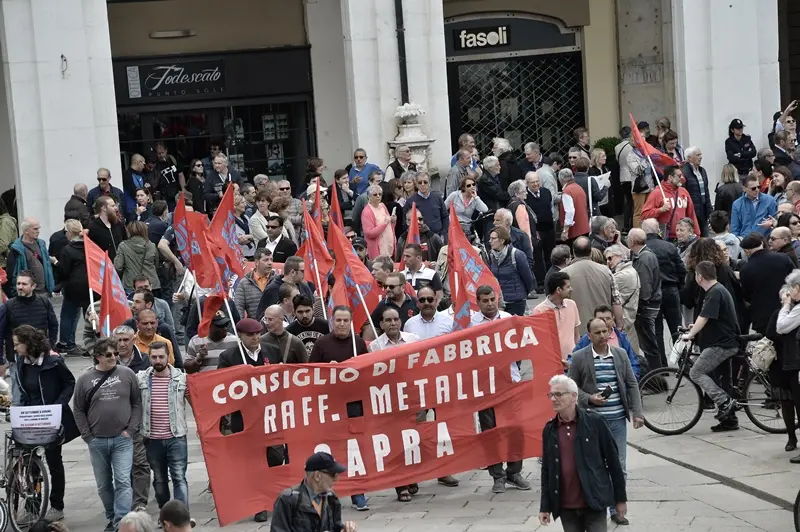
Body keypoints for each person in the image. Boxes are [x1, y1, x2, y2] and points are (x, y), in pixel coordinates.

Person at [569, 317, 642, 524]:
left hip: (617, 419)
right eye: (598, 332)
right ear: (589, 335)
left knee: (619, 465)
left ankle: (616, 508)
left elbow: (631, 383)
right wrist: (589, 398)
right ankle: (596, 505)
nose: (602, 336)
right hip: (592, 422)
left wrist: (637, 413)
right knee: (595, 464)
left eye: (605, 331)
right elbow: (572, 388)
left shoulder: (619, 355)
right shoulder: (579, 357)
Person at [539, 374, 627, 531]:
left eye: (558, 394)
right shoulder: (549, 430)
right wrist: (545, 506)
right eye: (551, 395)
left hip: (594, 502)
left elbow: (614, 463)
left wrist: (620, 499)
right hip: (566, 506)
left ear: (574, 396)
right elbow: (547, 470)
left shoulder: (595, 422)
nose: (553, 399)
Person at [73, 338, 142, 532]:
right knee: (104, 485)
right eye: (109, 354)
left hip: (123, 439)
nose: (114, 357)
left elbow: (137, 403)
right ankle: (112, 518)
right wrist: (87, 436)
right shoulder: (85, 379)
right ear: (98, 357)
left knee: (122, 481)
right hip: (97, 440)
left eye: (116, 354)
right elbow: (78, 409)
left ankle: (121, 523)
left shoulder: (127, 374)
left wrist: (131, 429)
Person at [12, 325, 77, 523]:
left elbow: (69, 383)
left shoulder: (54, 361)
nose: (15, 348)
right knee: (30, 465)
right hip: (30, 418)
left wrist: (58, 406)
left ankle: (57, 506)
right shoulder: (22, 362)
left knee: (54, 462)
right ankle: (32, 507)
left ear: (28, 343)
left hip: (51, 418)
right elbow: (23, 390)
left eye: (17, 344)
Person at [469, 285, 530, 493]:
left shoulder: (508, 320)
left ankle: (515, 472)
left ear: (498, 298)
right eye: (484, 300)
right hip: (485, 386)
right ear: (478, 302)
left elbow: (522, 346)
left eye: (492, 299)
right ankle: (498, 476)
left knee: (516, 428)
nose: (489, 303)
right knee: (490, 432)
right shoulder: (469, 324)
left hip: (510, 382)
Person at [308, 307, 370, 510]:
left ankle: (357, 493)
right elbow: (310, 375)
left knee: (355, 451)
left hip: (353, 406)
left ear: (352, 322)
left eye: (345, 320)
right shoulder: (322, 344)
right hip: (329, 406)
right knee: (329, 451)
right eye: (338, 320)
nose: (342, 324)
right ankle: (326, 493)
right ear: (332, 322)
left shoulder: (358, 342)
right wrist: (328, 372)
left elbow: (368, 372)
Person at [137, 342, 193, 523]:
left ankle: (182, 519)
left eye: (161, 356)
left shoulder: (181, 378)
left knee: (179, 477)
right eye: (154, 357)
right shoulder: (142, 379)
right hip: (152, 438)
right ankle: (165, 515)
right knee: (160, 482)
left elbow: (196, 401)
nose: (158, 360)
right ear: (149, 357)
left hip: (176, 436)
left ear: (168, 356)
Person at [682, 261, 742, 427]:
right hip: (724, 340)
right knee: (724, 381)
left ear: (700, 277)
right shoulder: (718, 290)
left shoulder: (714, 292)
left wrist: (691, 334)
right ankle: (729, 420)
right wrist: (696, 328)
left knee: (696, 372)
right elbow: (712, 318)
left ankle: (724, 401)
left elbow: (705, 316)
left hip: (721, 344)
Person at [0, 270, 59, 395]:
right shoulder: (8, 306)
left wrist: (50, 346)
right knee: (19, 395)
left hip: (42, 356)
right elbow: (0, 335)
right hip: (17, 358)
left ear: (33, 286)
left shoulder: (44, 302)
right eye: (18, 283)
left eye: (24, 284)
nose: (20, 287)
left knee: (44, 391)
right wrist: (1, 362)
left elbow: (53, 325)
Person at [270, 452, 357, 532]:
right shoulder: (288, 499)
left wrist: (345, 530)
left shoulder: (331, 497)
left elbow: (336, 527)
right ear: (317, 476)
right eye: (333, 475)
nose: (336, 479)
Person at [740, 232, 795, 335]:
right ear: (762, 243)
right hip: (787, 309)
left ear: (746, 251)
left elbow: (747, 296)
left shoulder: (745, 269)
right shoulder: (783, 258)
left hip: (763, 317)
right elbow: (795, 279)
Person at [562, 237, 623, 329]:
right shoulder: (606, 271)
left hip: (576, 329)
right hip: (603, 328)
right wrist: (619, 324)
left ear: (573, 252)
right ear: (591, 251)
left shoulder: (563, 274)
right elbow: (616, 301)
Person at [770, 275, 800, 458]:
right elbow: (771, 331)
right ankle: (791, 437)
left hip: (795, 362)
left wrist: (786, 306)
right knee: (787, 402)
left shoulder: (793, 310)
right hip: (782, 361)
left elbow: (781, 328)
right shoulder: (782, 311)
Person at [627, 228, 662, 372]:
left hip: (647, 307)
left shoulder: (643, 258)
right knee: (649, 342)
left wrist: (640, 305)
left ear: (633, 241)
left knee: (648, 344)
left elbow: (645, 285)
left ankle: (655, 377)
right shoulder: (646, 254)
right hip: (652, 303)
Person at [573, 305, 641, 379]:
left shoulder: (621, 338)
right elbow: (574, 357)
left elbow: (633, 362)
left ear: (613, 318)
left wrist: (630, 381)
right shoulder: (587, 338)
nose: (605, 322)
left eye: (608, 319)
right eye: (601, 319)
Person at [55, 219, 90, 356]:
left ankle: (66, 343)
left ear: (69, 233)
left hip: (72, 286)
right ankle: (90, 344)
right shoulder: (88, 246)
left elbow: (64, 270)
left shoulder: (68, 249)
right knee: (88, 315)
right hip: (88, 286)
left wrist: (56, 263)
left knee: (68, 315)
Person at [640, 165, 700, 240]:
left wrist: (697, 235)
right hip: (665, 237)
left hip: (683, 237)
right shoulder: (657, 193)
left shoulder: (683, 192)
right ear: (670, 178)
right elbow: (644, 215)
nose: (682, 178)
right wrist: (660, 210)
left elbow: (691, 214)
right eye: (679, 176)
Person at [532, 272, 580, 363]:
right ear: (558, 290)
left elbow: (576, 334)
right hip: (552, 362)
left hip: (573, 360)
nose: (571, 289)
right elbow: (538, 342)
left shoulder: (572, 304)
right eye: (568, 287)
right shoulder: (539, 311)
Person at [487, 226, 534, 316]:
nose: (490, 241)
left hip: (516, 302)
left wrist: (521, 294)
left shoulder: (517, 255)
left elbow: (528, 279)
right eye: (490, 238)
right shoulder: (491, 255)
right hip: (499, 302)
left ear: (502, 240)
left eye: (493, 238)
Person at [6, 217, 56, 297]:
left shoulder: (41, 245)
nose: (38, 231)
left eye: (38, 229)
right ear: (26, 230)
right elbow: (12, 274)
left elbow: (48, 267)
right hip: (28, 295)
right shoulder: (16, 250)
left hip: (45, 292)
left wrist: (51, 285)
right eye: (35, 229)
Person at [603, 244, 640, 351]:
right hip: (628, 318)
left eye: (610, 258)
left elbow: (606, 289)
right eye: (606, 259)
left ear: (620, 256)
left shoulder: (622, 275)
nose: (608, 262)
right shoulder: (630, 271)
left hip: (623, 319)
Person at [525, 172, 556, 292]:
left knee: (550, 253)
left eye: (537, 181)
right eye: (532, 182)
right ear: (527, 183)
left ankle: (552, 278)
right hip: (536, 230)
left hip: (549, 227)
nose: (536, 184)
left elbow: (550, 207)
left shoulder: (546, 192)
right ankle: (541, 282)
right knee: (538, 256)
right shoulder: (526, 196)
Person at [115, 221, 160, 294]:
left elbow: (118, 266)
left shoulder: (123, 246)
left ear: (129, 231)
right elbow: (156, 264)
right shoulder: (152, 245)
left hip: (131, 284)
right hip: (151, 284)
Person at [403, 171, 447, 238]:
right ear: (416, 184)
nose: (422, 184)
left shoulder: (437, 197)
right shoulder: (410, 202)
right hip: (421, 238)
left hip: (439, 236)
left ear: (429, 183)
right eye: (420, 182)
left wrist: (444, 233)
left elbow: (445, 216)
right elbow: (405, 222)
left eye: (425, 182)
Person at [234, 248, 274, 319]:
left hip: (275, 327)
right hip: (254, 327)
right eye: (266, 260)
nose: (270, 263)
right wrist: (240, 327)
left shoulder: (277, 281)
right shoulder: (244, 283)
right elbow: (238, 308)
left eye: (271, 259)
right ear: (256, 262)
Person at [87, 196, 128, 261]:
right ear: (104, 208)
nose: (116, 208)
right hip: (105, 267)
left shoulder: (119, 224)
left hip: (122, 265)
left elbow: (126, 242)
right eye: (112, 206)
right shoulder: (93, 228)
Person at [361, 184, 395, 259]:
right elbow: (369, 233)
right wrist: (384, 224)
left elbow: (389, 226)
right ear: (369, 196)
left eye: (380, 194)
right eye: (375, 194)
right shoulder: (366, 211)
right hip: (378, 249)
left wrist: (392, 221)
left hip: (388, 244)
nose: (378, 196)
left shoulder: (382, 205)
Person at [558, 169, 589, 244]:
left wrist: (565, 231)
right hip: (584, 227)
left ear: (561, 179)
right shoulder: (578, 187)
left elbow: (570, 211)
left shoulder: (567, 191)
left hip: (574, 231)